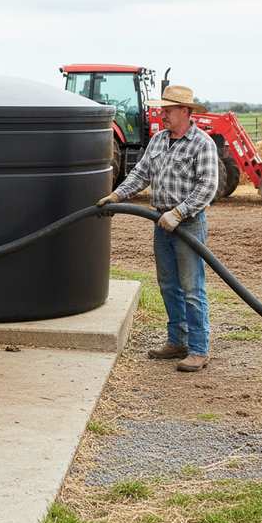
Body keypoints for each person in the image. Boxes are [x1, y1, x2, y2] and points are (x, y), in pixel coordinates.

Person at [96, 85, 219, 372]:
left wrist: (180, 212)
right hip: (161, 222)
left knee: (191, 288)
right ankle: (177, 341)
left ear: (185, 112)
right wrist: (116, 196)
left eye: (167, 110)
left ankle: (199, 349)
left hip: (187, 224)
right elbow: (141, 173)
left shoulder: (202, 143)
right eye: (161, 109)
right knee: (168, 285)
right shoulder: (159, 140)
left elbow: (208, 186)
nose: (161, 114)